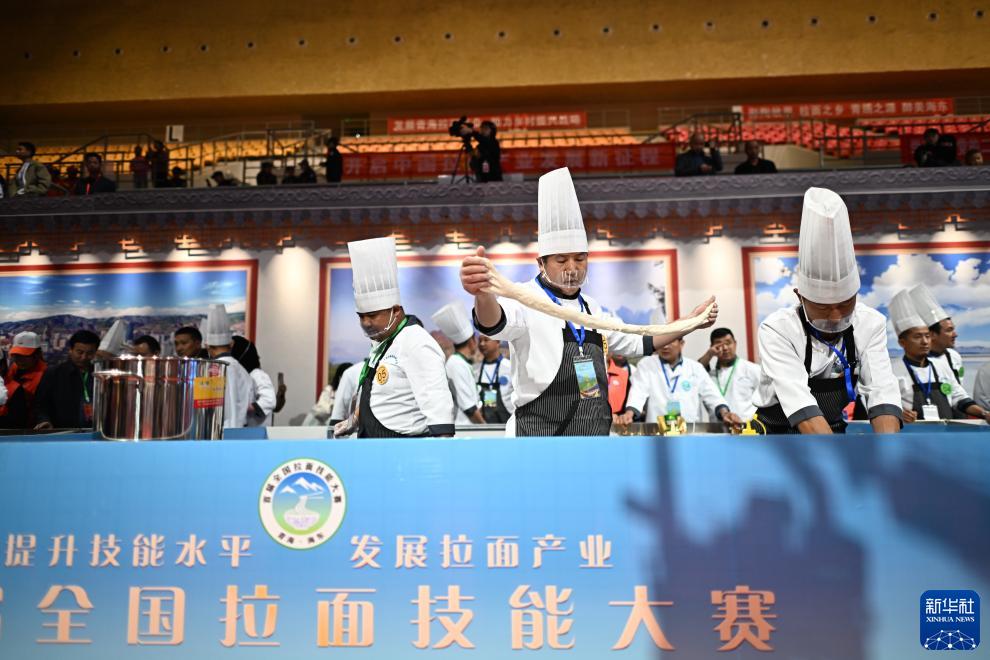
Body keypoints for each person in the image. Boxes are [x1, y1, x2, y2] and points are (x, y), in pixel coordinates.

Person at [460, 167, 718, 436]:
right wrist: (483, 293)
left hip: (593, 435)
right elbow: (493, 322)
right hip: (540, 436)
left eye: (580, 259)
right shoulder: (524, 299)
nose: (572, 268)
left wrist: (690, 322)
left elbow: (638, 341)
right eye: (561, 260)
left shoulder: (591, 308)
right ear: (541, 264)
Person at [752, 187, 901, 434]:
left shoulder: (870, 323)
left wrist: (889, 450)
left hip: (832, 427)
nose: (835, 317)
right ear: (800, 297)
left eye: (845, 304)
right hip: (777, 434)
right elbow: (800, 404)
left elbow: (881, 391)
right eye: (822, 307)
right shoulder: (778, 330)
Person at [334, 237, 455, 438]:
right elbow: (378, 393)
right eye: (361, 316)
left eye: (372, 315)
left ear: (396, 311)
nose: (365, 323)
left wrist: (442, 447)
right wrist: (355, 419)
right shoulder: (381, 343)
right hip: (374, 442)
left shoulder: (416, 341)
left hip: (403, 445)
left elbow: (436, 399)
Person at [888, 290, 988, 422]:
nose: (925, 341)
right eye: (917, 337)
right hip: (912, 432)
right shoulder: (891, 371)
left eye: (927, 336)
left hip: (944, 431)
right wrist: (898, 413)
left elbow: (959, 397)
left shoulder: (941, 366)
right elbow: (883, 405)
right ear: (902, 342)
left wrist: (984, 413)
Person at [620, 328, 742, 427]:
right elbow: (638, 392)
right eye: (662, 342)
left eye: (670, 341)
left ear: (681, 344)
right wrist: (629, 413)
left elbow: (712, 395)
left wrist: (724, 413)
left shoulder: (695, 368)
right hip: (657, 432)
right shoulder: (646, 365)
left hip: (689, 432)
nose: (665, 346)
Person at [34, 329, 100, 430]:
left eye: (90, 353)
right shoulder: (54, 373)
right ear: (71, 350)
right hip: (63, 432)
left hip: (95, 431)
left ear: (95, 352)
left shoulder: (100, 375)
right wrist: (44, 420)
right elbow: (40, 404)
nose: (84, 357)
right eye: (79, 352)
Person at [203, 305, 255, 429]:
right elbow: (251, 403)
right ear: (232, 344)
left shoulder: (208, 371)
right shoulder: (243, 371)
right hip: (240, 433)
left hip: (214, 432)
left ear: (207, 346)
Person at [432, 303, 485, 425]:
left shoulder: (459, 362)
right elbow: (469, 408)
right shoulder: (456, 364)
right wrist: (485, 427)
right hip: (465, 427)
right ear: (471, 342)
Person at [698, 327, 762, 421]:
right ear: (712, 347)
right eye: (719, 345)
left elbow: (766, 400)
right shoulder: (708, 375)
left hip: (746, 427)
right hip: (716, 428)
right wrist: (709, 354)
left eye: (728, 343)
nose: (725, 348)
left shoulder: (752, 369)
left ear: (735, 344)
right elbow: (696, 371)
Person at [908, 284, 963, 385]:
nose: (955, 334)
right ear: (932, 334)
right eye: (949, 330)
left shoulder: (954, 357)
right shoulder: (915, 362)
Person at [0, 332, 47, 429]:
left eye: (25, 355)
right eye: (16, 354)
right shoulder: (14, 368)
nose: (19, 359)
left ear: (37, 354)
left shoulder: (45, 377)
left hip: (31, 429)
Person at [232, 335, 276, 427]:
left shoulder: (258, 375)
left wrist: (245, 408)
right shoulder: (240, 377)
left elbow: (269, 400)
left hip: (257, 430)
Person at [476, 334, 514, 423]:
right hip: (486, 422)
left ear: (497, 341)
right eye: (480, 341)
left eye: (486, 340)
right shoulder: (477, 370)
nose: (482, 344)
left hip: (509, 418)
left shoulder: (509, 367)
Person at [302, 361, 354, 427]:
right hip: (318, 422)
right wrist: (336, 405)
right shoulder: (329, 390)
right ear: (339, 377)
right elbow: (323, 408)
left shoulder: (356, 392)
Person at [328, 361, 364, 428]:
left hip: (353, 427)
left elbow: (337, 414)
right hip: (351, 427)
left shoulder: (351, 372)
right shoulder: (352, 373)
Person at [607, 353, 635, 421]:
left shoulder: (624, 374)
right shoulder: (585, 371)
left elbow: (633, 400)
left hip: (617, 423)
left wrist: (625, 417)